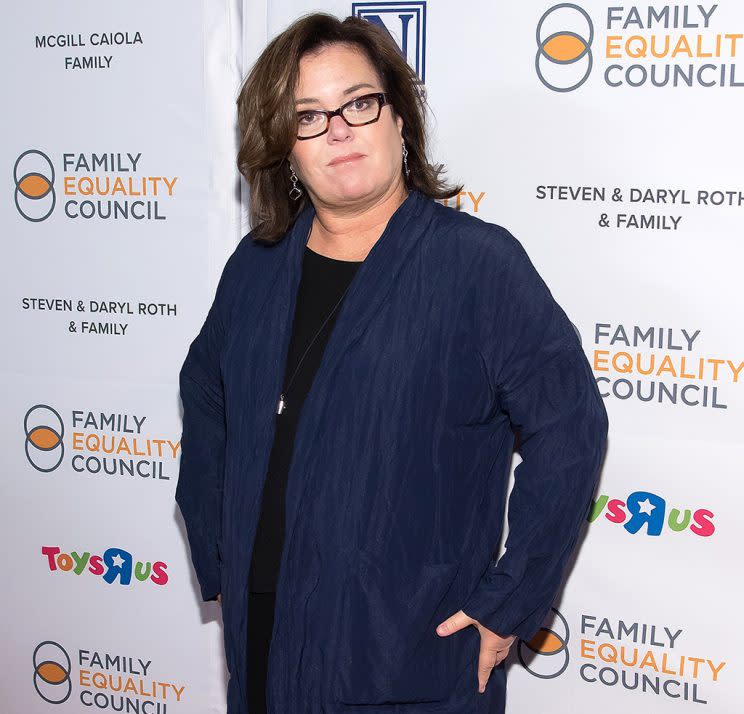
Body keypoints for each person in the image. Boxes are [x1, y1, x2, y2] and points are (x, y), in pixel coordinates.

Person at [175, 12, 609, 714]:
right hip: (265, 648)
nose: (338, 129)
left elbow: (572, 429)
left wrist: (509, 601)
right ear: (285, 146)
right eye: (308, 115)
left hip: (405, 656)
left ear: (400, 119)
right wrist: (216, 543)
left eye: (359, 103)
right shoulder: (254, 267)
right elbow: (206, 389)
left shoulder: (476, 265)